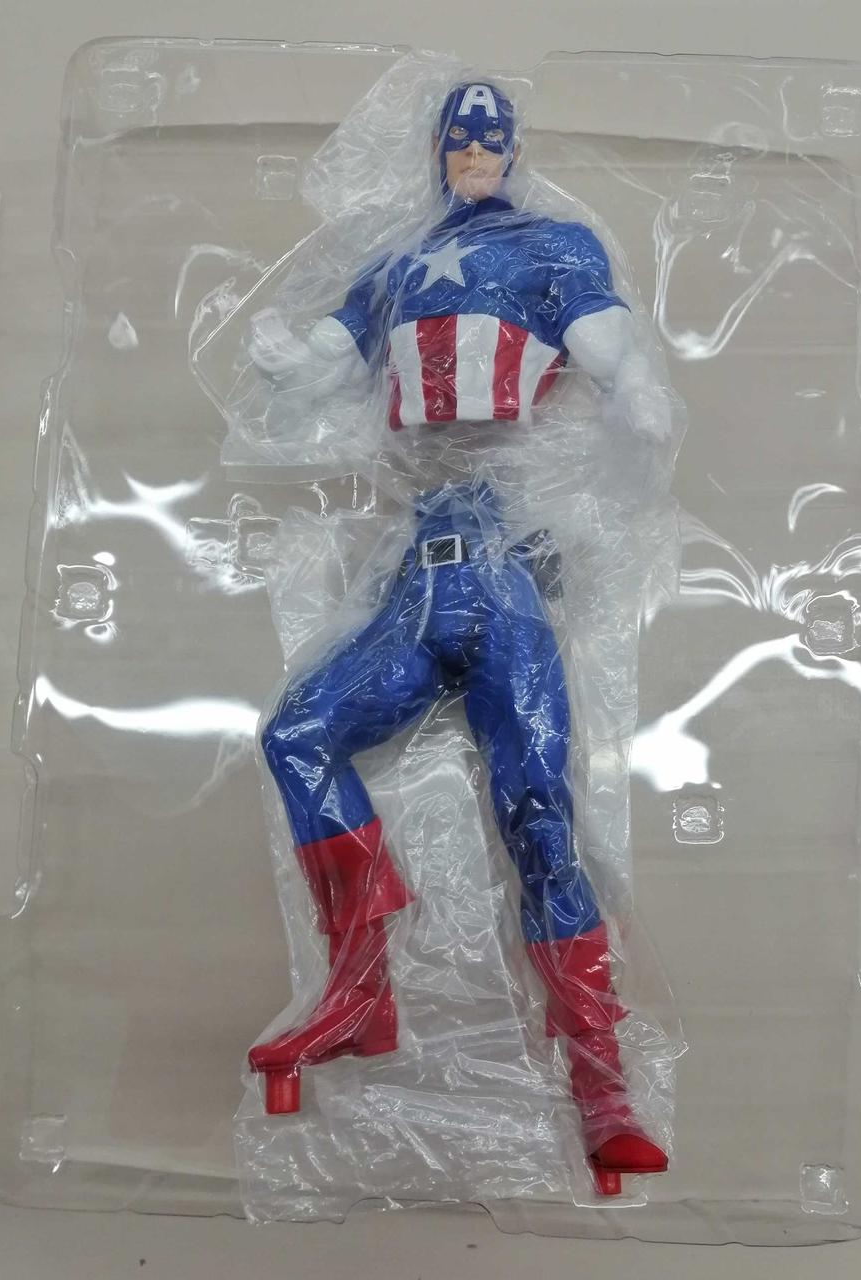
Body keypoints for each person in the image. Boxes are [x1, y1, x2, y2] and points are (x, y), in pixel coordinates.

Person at [247, 80, 670, 1195]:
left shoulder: (550, 247)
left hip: (504, 578)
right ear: (437, 147)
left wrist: (637, 393)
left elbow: (610, 349)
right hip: (419, 577)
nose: (476, 149)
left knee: (540, 818)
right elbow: (326, 361)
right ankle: (357, 987)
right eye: (459, 135)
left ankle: (602, 1082)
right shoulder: (396, 261)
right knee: (298, 732)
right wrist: (284, 363)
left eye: (491, 135)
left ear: (511, 146)